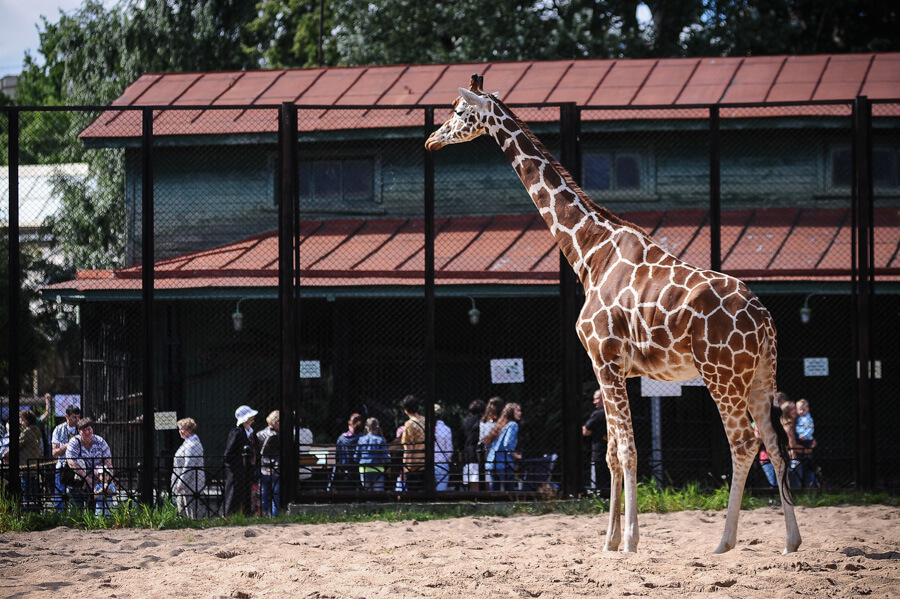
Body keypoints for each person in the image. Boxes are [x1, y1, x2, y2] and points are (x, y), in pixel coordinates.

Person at [65, 419, 113, 509]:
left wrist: (109, 480)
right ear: (79, 431)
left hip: (97, 481)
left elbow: (108, 462)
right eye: (84, 430)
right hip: (79, 481)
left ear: (92, 429)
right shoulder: (74, 442)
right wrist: (87, 479)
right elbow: (72, 463)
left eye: (89, 429)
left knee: (99, 505)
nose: (87, 432)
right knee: (76, 510)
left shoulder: (100, 441)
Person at [223, 405, 260, 516]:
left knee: (247, 494)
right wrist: (236, 468)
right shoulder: (237, 432)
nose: (253, 419)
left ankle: (247, 515)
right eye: (250, 417)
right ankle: (229, 516)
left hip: (248, 470)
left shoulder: (251, 433)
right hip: (238, 471)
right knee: (234, 495)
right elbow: (228, 454)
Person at [482, 402, 522, 492]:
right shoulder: (513, 425)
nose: (520, 413)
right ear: (511, 412)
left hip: (492, 462)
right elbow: (507, 444)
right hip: (504, 463)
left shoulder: (502, 424)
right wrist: (514, 455)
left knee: (494, 491)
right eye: (518, 411)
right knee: (509, 492)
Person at [171, 417, 206, 519]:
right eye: (179, 429)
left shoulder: (192, 444)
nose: (180, 431)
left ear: (190, 430)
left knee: (190, 510)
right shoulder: (187, 443)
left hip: (190, 483)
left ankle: (192, 526)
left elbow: (189, 465)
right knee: (184, 509)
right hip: (186, 484)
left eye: (182, 429)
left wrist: (181, 483)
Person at [51, 405, 82, 510]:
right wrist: (65, 447)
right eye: (74, 417)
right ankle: (58, 516)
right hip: (62, 465)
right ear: (67, 416)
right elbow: (54, 453)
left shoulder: (81, 429)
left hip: (78, 465)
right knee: (60, 493)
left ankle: (77, 514)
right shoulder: (58, 430)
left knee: (77, 494)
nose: (77, 420)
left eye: (78, 417)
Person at [256, 411, 281, 516]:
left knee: (264, 493)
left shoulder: (260, 434)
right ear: (276, 422)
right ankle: (274, 515)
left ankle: (265, 514)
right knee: (275, 493)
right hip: (275, 468)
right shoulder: (279, 435)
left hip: (263, 467)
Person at [18, 410, 44, 512]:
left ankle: (28, 512)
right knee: (33, 490)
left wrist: (4, 454)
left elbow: (17, 444)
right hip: (33, 465)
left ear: (26, 420)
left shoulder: (27, 432)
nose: (20, 422)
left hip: (25, 465)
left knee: (26, 491)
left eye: (22, 419)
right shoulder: (36, 430)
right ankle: (35, 511)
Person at [400, 395, 427, 491]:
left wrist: (404, 468)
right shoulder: (425, 420)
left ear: (405, 409)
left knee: (412, 495)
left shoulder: (409, 424)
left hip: (414, 466)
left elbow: (409, 449)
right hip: (426, 463)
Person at [581, 389, 606, 490]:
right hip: (614, 451)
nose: (594, 402)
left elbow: (586, 431)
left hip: (599, 452)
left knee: (597, 483)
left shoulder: (598, 414)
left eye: (596, 399)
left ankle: (598, 500)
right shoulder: (615, 413)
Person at [332, 413, 364, 490]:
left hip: (344, 472)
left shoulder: (341, 438)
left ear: (349, 422)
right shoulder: (362, 438)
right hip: (358, 472)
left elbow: (337, 456)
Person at [356, 417, 389, 491]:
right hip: (378, 470)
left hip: (364, 470)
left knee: (368, 493)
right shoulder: (381, 440)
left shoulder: (361, 440)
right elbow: (386, 459)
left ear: (367, 428)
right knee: (378, 495)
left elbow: (356, 457)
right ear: (377, 428)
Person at [479, 397, 504, 489]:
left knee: (491, 478)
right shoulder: (500, 422)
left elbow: (481, 438)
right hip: (497, 451)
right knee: (500, 478)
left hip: (487, 451)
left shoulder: (483, 421)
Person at [461, 399, 485, 491]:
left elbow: (461, 439)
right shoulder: (483, 422)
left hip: (468, 453)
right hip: (481, 452)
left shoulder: (465, 422)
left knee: (472, 480)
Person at [433, 404, 454, 491]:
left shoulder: (424, 428)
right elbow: (449, 450)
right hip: (442, 462)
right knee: (441, 491)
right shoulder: (446, 429)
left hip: (426, 463)